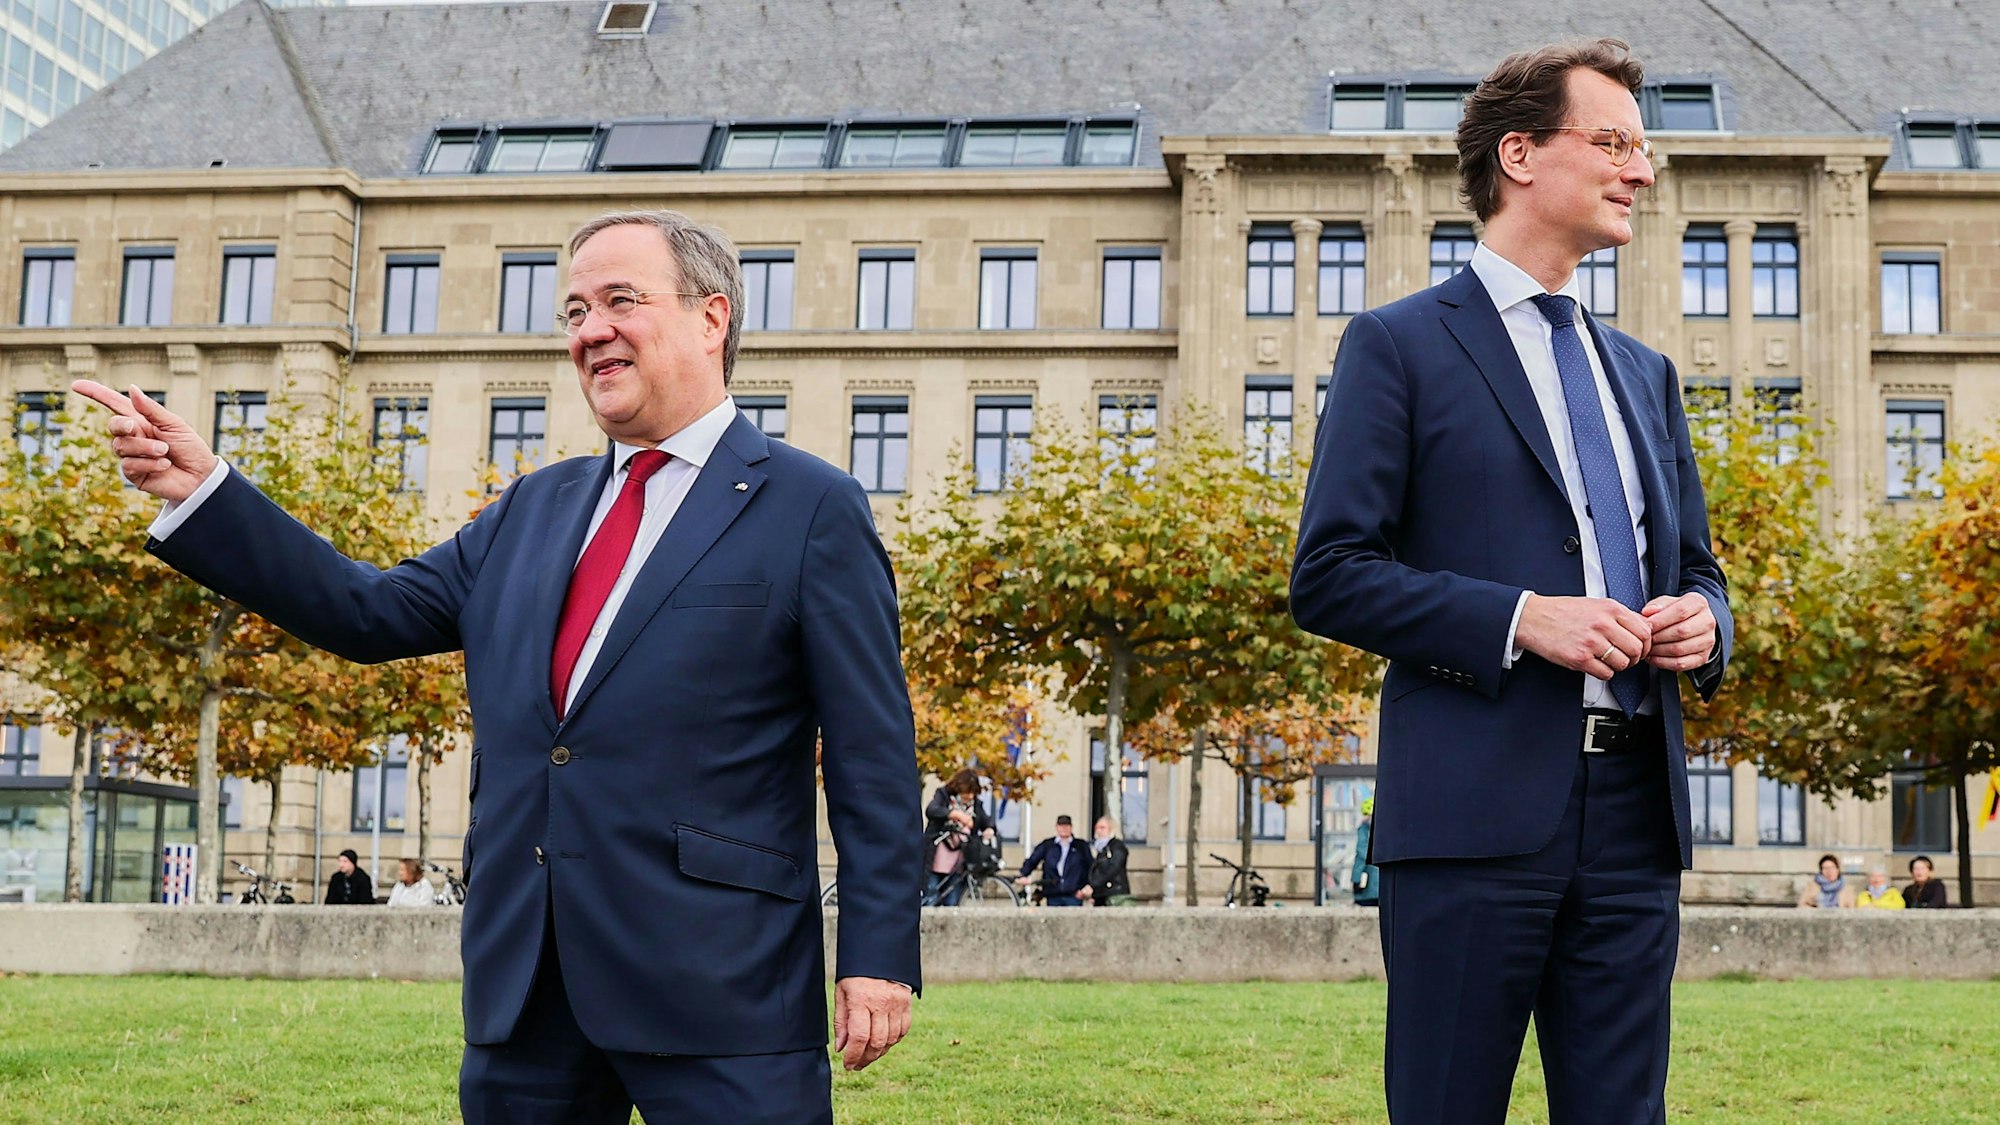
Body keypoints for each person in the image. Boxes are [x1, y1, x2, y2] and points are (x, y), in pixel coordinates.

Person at [73, 208, 921, 1125]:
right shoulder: (531, 507)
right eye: (573, 310)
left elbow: (874, 757)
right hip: (527, 985)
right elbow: (366, 611)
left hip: (722, 983)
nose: (589, 329)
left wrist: (877, 952)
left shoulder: (812, 506)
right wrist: (205, 490)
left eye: (619, 300)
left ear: (711, 318)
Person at [1290, 38, 1731, 1125]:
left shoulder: (1644, 373)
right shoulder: (1394, 346)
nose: (1642, 169)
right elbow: (1329, 576)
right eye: (1615, 142)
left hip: (1634, 819)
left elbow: (1698, 571)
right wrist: (1521, 620)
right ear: (1521, 155)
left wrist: (1703, 625)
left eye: (1644, 147)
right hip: (1471, 819)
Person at [921, 769, 991, 907]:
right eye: (967, 792)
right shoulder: (943, 795)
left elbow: (987, 821)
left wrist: (990, 829)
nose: (970, 796)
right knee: (930, 897)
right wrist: (955, 814)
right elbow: (932, 810)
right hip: (937, 858)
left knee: (952, 903)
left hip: (958, 863)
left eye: (973, 793)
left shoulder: (976, 805)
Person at [1017, 815, 1091, 906]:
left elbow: (1090, 866)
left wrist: (1087, 887)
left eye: (1067, 826)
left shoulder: (1081, 846)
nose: (1064, 829)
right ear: (1057, 827)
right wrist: (1024, 874)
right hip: (1053, 893)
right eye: (1061, 826)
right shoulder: (1048, 845)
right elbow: (1033, 860)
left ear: (1071, 828)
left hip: (1074, 894)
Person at [1084, 817, 1130, 906]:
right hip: (1101, 894)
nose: (1099, 831)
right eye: (1097, 828)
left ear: (1111, 829)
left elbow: (1113, 867)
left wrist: (1093, 885)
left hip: (1114, 893)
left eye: (1103, 828)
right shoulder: (1099, 849)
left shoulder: (1117, 847)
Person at [1350, 797, 1380, 907]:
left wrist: (1356, 880)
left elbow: (1362, 855)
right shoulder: (1385, 829)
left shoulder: (1365, 829)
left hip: (1368, 888)